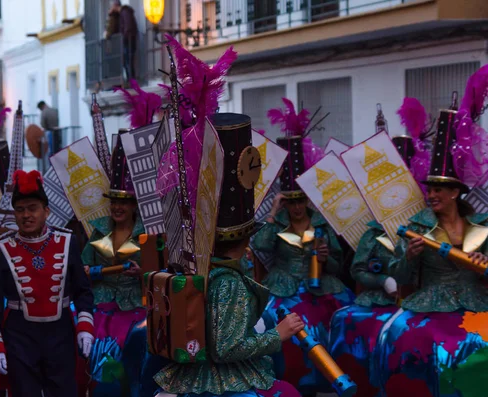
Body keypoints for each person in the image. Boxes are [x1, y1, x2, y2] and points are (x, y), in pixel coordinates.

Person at [154, 112, 303, 397]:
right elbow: (226, 349)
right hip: (220, 378)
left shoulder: (202, 266)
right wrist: (278, 334)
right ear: (247, 239)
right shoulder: (229, 282)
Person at [373, 88, 488, 396]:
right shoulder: (416, 227)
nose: (432, 194)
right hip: (428, 307)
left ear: (455, 192)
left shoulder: (482, 227)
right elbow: (399, 277)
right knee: (406, 342)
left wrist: (482, 268)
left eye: (439, 188)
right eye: (430, 188)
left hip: (476, 306)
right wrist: (409, 258)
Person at [328, 100, 432, 393]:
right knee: (348, 322)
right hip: (376, 303)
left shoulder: (428, 229)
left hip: (418, 305)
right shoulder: (372, 233)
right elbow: (357, 268)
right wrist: (383, 279)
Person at [251, 98, 354, 396]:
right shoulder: (279, 220)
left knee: (336, 321)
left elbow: (339, 266)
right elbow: (260, 245)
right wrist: (273, 211)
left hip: (322, 289)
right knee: (286, 322)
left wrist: (324, 260)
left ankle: (330, 380)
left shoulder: (321, 223)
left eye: (300, 200)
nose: (296, 207)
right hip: (283, 289)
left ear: (308, 199)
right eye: (290, 201)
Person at [0, 169, 95, 397]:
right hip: (19, 336)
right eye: (20, 209)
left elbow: (82, 290)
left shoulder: (67, 242)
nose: (26, 215)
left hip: (60, 332)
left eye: (32, 208)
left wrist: (84, 327)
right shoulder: (0, 248)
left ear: (46, 211)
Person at [82, 131, 146, 396]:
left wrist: (143, 274)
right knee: (101, 362)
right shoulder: (97, 231)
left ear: (134, 205)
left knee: (135, 365)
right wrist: (90, 271)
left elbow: (158, 273)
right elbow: (82, 268)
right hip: (102, 308)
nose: (117, 207)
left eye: (124, 202)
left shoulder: (148, 235)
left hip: (135, 311)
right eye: (114, 202)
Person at [118, 1, 138, 81]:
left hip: (128, 40)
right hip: (129, 39)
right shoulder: (125, 12)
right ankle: (130, 78)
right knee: (128, 60)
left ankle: (131, 79)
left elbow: (128, 25)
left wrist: (125, 36)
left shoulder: (124, 12)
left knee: (128, 59)